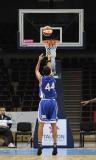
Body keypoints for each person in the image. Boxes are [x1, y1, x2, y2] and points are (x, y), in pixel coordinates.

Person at [35, 53, 58, 155]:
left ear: (43, 73)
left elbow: (36, 70)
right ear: (50, 72)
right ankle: (55, 145)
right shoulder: (53, 77)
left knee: (41, 124)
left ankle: (40, 145)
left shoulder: (41, 79)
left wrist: (39, 60)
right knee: (53, 125)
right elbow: (50, 68)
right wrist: (50, 58)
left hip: (44, 103)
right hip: (53, 102)